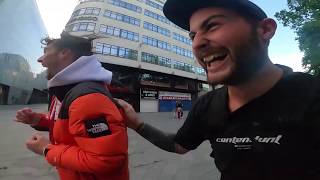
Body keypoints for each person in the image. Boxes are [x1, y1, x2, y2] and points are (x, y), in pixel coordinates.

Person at [116, 0, 320, 179]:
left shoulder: (311, 95)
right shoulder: (207, 105)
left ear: (265, 30)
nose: (197, 44)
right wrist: (137, 124)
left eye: (212, 26)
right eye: (193, 36)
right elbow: (179, 145)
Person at [15, 32, 129, 180]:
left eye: (45, 52)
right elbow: (72, 127)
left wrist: (46, 149)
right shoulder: (68, 90)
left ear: (64, 53)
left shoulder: (87, 98)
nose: (39, 59)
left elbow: (106, 161)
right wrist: (38, 120)